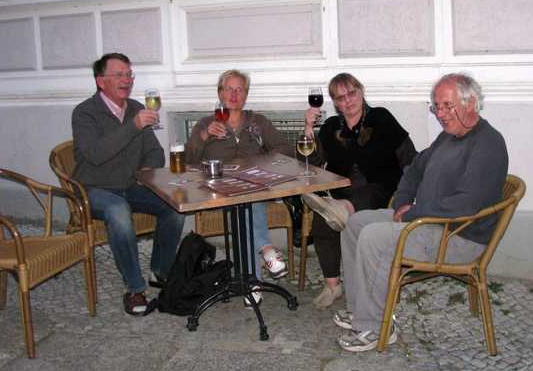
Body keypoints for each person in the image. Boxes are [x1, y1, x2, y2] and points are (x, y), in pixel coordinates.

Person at [333, 73, 509, 352]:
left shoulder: (488, 144)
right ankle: (360, 310)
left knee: (375, 238)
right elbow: (415, 168)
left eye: (447, 106)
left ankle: (376, 327)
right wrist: (401, 200)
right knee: (355, 223)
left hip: (458, 236)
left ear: (471, 103)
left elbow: (467, 204)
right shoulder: (448, 137)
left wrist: (414, 212)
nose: (440, 114)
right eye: (436, 106)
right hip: (428, 222)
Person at [72, 53, 186, 316]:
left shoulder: (136, 108)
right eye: (119, 75)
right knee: (118, 211)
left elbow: (155, 153)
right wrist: (133, 126)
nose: (127, 80)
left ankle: (162, 270)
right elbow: (96, 154)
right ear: (101, 81)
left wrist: (145, 170)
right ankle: (135, 288)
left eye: (129, 74)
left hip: (129, 185)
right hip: (94, 189)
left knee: (174, 204)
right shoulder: (85, 113)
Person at [298, 73, 417, 309]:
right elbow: (311, 161)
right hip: (341, 190)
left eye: (351, 93)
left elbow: (409, 158)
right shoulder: (332, 126)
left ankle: (339, 210)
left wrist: (411, 194)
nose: (348, 101)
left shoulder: (381, 117)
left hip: (381, 189)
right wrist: (308, 127)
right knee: (324, 220)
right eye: (341, 98)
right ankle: (333, 286)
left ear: (361, 91)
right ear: (335, 102)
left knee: (363, 196)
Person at [185, 69, 293, 305]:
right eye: (229, 89)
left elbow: (285, 149)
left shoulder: (259, 122)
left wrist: (261, 160)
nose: (234, 94)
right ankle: (266, 250)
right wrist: (204, 136)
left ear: (246, 94)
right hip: (217, 188)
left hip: (254, 186)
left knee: (247, 199)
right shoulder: (206, 123)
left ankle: (252, 281)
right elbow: (188, 160)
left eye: (239, 89)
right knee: (244, 202)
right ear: (220, 93)